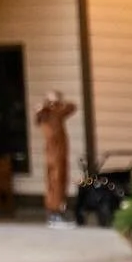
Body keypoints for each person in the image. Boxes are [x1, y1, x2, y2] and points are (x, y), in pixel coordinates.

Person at [35, 91, 76, 224]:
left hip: (61, 152)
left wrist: (57, 103)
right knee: (55, 181)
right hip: (53, 153)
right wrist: (47, 104)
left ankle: (58, 210)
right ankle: (54, 212)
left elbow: (72, 107)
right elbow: (38, 115)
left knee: (61, 180)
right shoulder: (46, 114)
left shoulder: (57, 112)